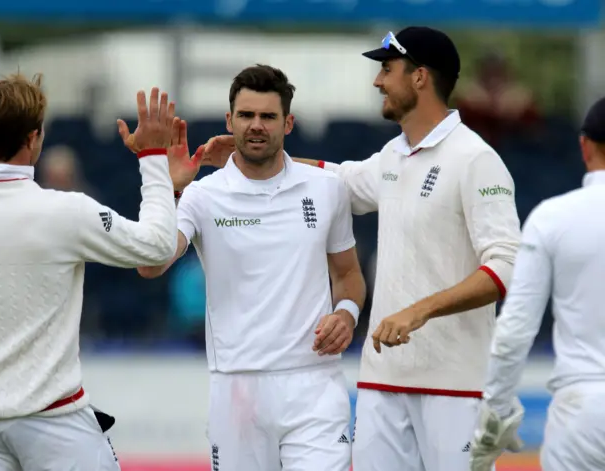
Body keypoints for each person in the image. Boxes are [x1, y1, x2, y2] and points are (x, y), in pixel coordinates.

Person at [201, 27, 522, 471]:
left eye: (386, 69)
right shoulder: (393, 155)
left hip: (455, 385)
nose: (377, 81)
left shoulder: (475, 159)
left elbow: (506, 267)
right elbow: (336, 179)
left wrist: (419, 310)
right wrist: (246, 156)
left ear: (419, 78)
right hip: (380, 385)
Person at [128, 64, 366, 471]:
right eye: (246, 115)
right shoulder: (202, 196)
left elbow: (348, 276)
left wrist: (347, 313)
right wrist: (170, 189)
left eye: (268, 117)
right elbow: (150, 266)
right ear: (229, 120)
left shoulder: (327, 189)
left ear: (288, 123)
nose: (257, 126)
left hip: (314, 385)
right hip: (237, 389)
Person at [0, 74, 180, 470]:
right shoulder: (67, 211)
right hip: (54, 422)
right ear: (34, 138)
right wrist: (153, 156)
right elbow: (159, 245)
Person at [470, 96, 605, 471]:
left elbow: (515, 329)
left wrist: (494, 414)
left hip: (582, 413)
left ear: (584, 146)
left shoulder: (553, 218)